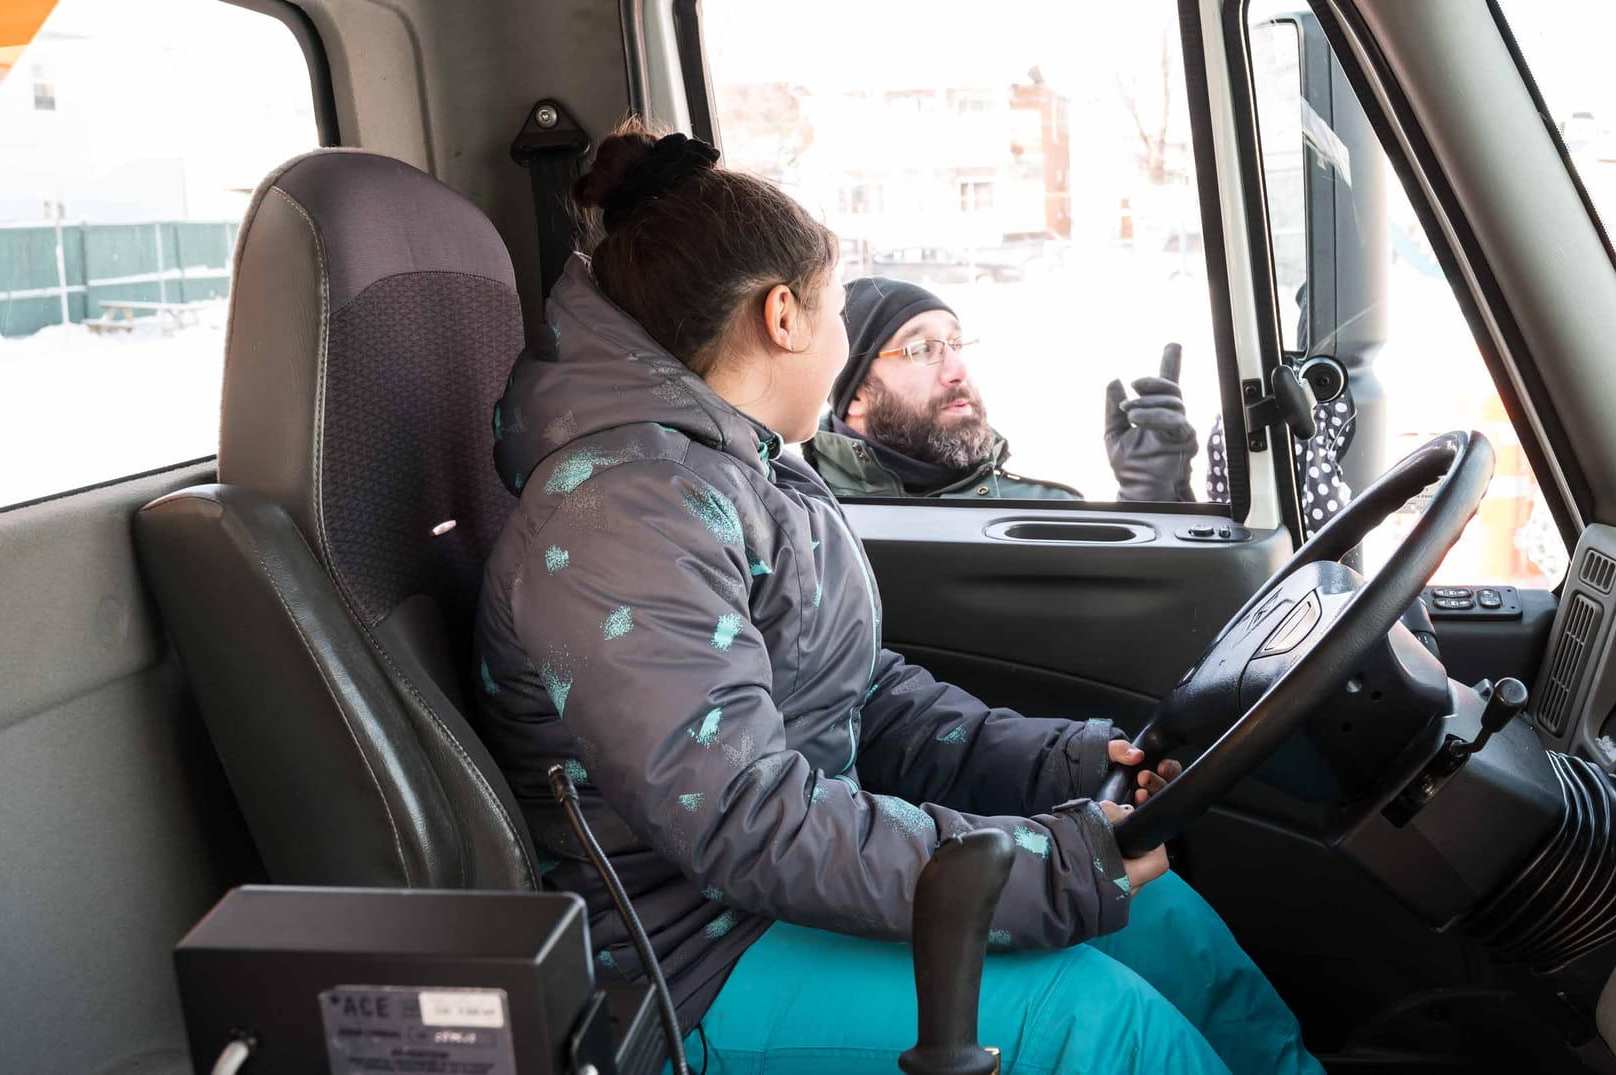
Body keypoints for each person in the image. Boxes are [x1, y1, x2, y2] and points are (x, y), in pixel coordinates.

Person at [473, 121, 1322, 1075]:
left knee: (1164, 917)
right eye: (838, 306)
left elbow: (857, 695)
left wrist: (1064, 767)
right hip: (691, 959)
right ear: (784, 316)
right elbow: (748, 818)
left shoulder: (739, 472)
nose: (839, 335)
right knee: (1095, 1024)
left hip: (771, 896)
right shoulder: (616, 516)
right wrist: (1051, 862)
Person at [804, 276, 1201, 501]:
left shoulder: (1039, 515)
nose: (957, 370)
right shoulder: (794, 516)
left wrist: (1156, 495)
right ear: (855, 393)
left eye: (956, 345)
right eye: (922, 348)